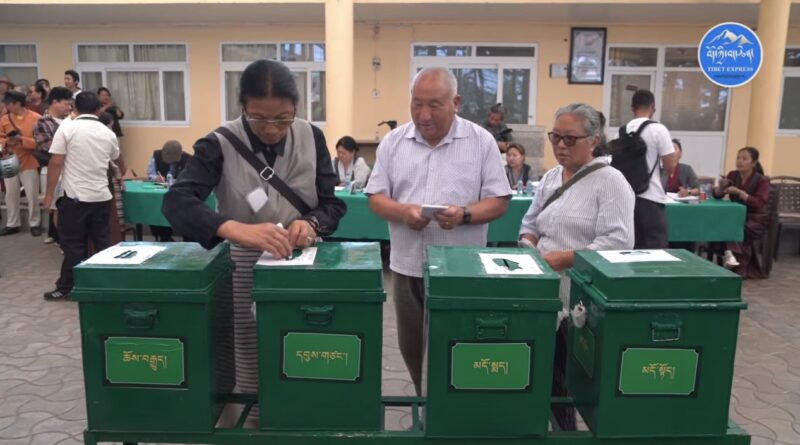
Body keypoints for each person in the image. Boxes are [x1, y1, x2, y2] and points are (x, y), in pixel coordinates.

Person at [163, 59, 345, 422]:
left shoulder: (312, 136)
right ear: (242, 107)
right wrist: (234, 228)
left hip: (300, 264)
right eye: (259, 119)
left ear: (296, 107)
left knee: (299, 348)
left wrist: (311, 223)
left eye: (283, 118)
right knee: (247, 360)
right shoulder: (219, 143)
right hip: (243, 267)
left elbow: (332, 204)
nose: (273, 129)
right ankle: (251, 427)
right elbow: (176, 201)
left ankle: (299, 420)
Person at [365, 66, 512, 395]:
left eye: (434, 105)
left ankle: (455, 408)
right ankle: (423, 402)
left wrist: (464, 214)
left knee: (458, 346)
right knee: (412, 345)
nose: (424, 114)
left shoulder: (481, 141)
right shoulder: (394, 142)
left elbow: (499, 201)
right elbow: (375, 198)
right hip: (407, 266)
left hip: (461, 270)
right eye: (416, 104)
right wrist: (404, 212)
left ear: (456, 102)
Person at [519, 103, 635, 431]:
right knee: (548, 377)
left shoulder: (611, 182)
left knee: (579, 382)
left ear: (594, 140)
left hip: (581, 302)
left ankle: (576, 431)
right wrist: (528, 243)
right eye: (555, 137)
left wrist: (565, 258)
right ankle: (559, 430)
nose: (559, 145)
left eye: (570, 139)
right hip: (545, 293)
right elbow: (530, 222)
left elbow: (618, 243)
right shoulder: (552, 177)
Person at [42, 92, 121, 301]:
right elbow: (115, 157)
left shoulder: (68, 128)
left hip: (75, 198)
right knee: (102, 243)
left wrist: (49, 195)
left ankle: (66, 287)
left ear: (75, 108)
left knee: (73, 245)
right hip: (101, 196)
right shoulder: (107, 132)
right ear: (97, 110)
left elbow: (56, 162)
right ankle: (105, 286)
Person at [619, 89, 677, 249]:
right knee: (655, 249)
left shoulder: (623, 130)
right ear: (653, 107)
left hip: (626, 197)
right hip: (650, 197)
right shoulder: (658, 130)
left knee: (632, 246)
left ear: (632, 108)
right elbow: (670, 166)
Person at [712, 147, 770, 278]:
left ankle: (731, 256)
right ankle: (730, 256)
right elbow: (717, 195)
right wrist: (721, 187)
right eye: (738, 158)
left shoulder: (762, 180)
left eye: (744, 158)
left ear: (754, 163)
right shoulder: (733, 175)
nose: (739, 161)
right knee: (721, 222)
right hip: (736, 217)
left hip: (754, 219)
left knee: (734, 226)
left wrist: (740, 193)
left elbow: (759, 204)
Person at [33, 86, 74, 245]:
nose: (68, 107)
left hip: (70, 170)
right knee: (58, 209)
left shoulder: (71, 121)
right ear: (55, 102)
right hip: (52, 171)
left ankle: (68, 240)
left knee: (69, 208)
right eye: (66, 103)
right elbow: (50, 149)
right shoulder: (42, 123)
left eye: (70, 104)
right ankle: (63, 242)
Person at [0, 90, 43, 236]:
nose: (6, 106)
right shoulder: (4, 119)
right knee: (10, 194)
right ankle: (12, 223)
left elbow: (40, 142)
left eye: (8, 103)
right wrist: (6, 142)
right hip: (9, 159)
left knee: (32, 194)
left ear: (18, 103)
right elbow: (0, 138)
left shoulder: (36, 118)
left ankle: (34, 223)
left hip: (29, 160)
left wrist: (21, 139)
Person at [147, 140, 191, 241]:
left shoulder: (188, 159)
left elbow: (190, 178)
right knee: (154, 207)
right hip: (160, 192)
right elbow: (150, 174)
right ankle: (164, 237)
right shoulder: (156, 156)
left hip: (180, 194)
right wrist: (155, 178)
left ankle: (188, 238)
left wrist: (176, 181)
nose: (171, 162)